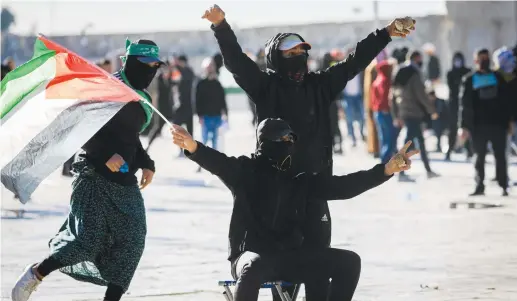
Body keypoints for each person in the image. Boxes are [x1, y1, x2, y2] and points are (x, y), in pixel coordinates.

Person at [202, 5, 414, 299]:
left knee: (318, 269)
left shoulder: (320, 85)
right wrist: (221, 26)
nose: (298, 59)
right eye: (290, 54)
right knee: (281, 274)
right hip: (278, 188)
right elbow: (237, 62)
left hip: (314, 188)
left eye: (302, 52)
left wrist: (387, 33)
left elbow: (354, 61)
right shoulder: (265, 86)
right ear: (276, 58)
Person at [170, 118, 418, 301]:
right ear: (266, 143)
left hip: (287, 257)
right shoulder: (245, 171)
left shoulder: (300, 180)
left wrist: (385, 171)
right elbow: (217, 162)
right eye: (282, 140)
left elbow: (343, 186)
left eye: (291, 140)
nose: (288, 145)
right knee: (254, 266)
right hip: (250, 255)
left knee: (349, 262)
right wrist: (193, 146)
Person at [11, 39, 163, 301]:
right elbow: (79, 128)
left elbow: (129, 137)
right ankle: (37, 273)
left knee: (133, 241)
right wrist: (105, 155)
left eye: (155, 66)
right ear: (129, 63)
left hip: (124, 180)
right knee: (86, 242)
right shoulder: (106, 88)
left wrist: (146, 162)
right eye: (145, 65)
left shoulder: (141, 97)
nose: (150, 71)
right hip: (93, 176)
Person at [459, 48, 512, 197]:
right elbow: (465, 105)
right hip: (478, 126)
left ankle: (503, 185)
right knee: (479, 157)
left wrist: (508, 122)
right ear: (475, 60)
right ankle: (479, 185)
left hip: (498, 125)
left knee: (500, 157)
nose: (484, 61)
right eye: (481, 58)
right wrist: (463, 126)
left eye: (486, 58)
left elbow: (506, 102)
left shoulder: (498, 78)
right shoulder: (469, 80)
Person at [391, 50, 440, 182]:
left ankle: (428, 170)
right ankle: (400, 171)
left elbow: (393, 95)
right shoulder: (414, 73)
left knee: (420, 142)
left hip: (404, 110)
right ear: (416, 58)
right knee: (408, 143)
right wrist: (432, 110)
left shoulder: (398, 71)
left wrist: (396, 114)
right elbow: (421, 95)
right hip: (414, 112)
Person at [195, 57, 228, 152]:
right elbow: (197, 101)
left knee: (215, 140)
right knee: (204, 140)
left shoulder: (218, 84)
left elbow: (222, 100)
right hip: (205, 117)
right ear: (204, 68)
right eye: (208, 67)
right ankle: (202, 161)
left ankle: (214, 163)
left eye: (211, 66)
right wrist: (199, 115)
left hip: (217, 116)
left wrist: (225, 114)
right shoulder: (200, 84)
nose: (210, 68)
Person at [445, 52, 473, 161]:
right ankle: (450, 150)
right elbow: (452, 88)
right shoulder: (450, 73)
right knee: (452, 128)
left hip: (466, 104)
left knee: (466, 127)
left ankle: (469, 150)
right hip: (454, 105)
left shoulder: (467, 72)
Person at [370, 60, 395, 164]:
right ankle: (385, 161)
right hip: (385, 112)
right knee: (390, 138)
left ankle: (383, 160)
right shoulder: (385, 81)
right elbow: (385, 97)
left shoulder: (376, 80)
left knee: (383, 137)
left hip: (377, 112)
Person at [146, 65, 175, 152]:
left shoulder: (170, 77)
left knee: (176, 125)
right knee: (157, 127)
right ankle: (148, 144)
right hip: (161, 107)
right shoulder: (159, 77)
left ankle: (182, 148)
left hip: (169, 107)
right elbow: (158, 90)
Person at [172, 55, 195, 136]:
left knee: (190, 132)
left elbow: (184, 78)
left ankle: (189, 148)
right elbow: (172, 81)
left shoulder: (189, 71)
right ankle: (181, 147)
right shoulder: (177, 70)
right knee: (177, 130)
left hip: (188, 105)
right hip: (179, 105)